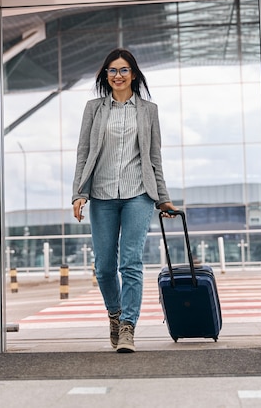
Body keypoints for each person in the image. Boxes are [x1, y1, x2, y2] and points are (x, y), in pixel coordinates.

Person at [71, 48, 178, 353]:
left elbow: (154, 157)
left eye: (123, 70)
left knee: (130, 262)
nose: (118, 76)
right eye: (112, 71)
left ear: (134, 74)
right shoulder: (94, 109)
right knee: (104, 267)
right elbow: (83, 153)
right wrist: (78, 193)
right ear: (105, 76)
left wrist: (163, 199)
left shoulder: (148, 110)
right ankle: (115, 314)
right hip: (102, 194)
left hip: (138, 194)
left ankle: (128, 326)